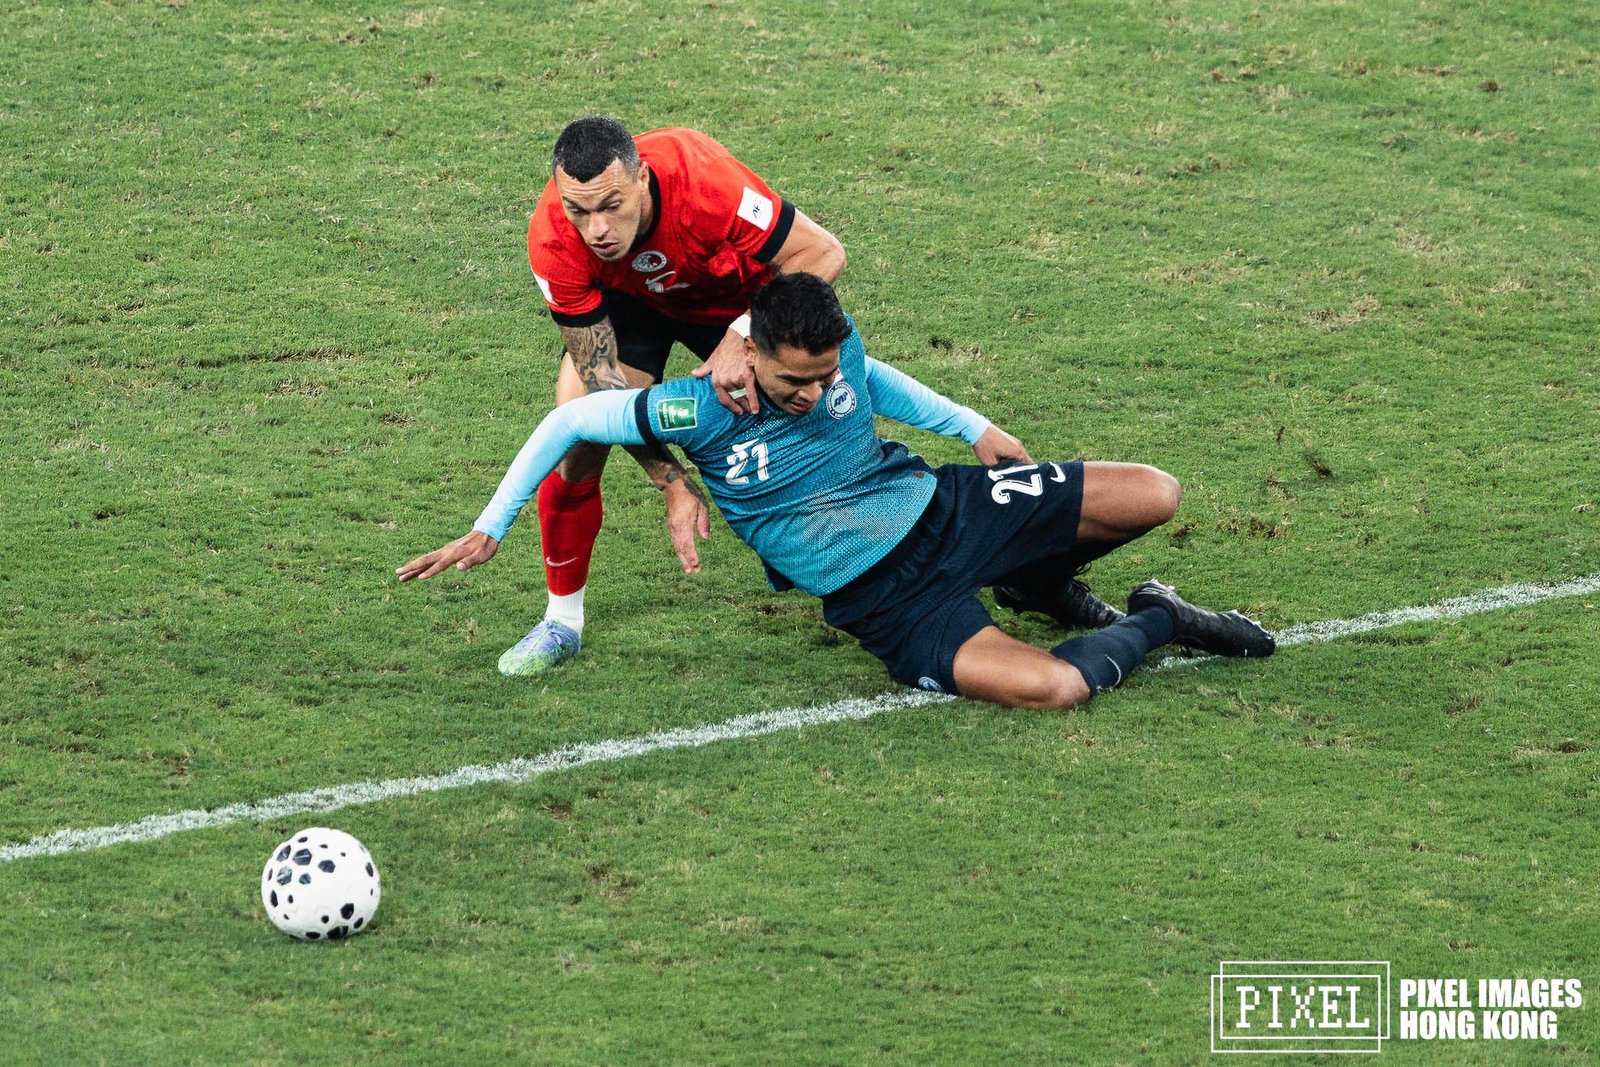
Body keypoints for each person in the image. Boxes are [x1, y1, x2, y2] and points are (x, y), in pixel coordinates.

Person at [399, 274, 1274, 708]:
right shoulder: (694, 406)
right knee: (1054, 689)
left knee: (1155, 493)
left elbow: (872, 376)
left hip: (944, 510)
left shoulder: (830, 351)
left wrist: (971, 425)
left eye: (825, 376)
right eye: (797, 382)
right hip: (887, 601)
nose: (818, 394)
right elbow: (570, 423)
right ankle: (1161, 616)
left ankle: (1032, 579)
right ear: (749, 354)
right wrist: (491, 526)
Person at [511, 115, 845, 676]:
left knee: (818, 422)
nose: (597, 229)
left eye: (611, 205)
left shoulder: (705, 182)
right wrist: (670, 480)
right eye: (579, 211)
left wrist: (742, 336)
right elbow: (603, 388)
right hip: (635, 306)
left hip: (739, 301)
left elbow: (823, 253)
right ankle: (561, 621)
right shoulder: (553, 238)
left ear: (642, 178)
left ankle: (900, 556)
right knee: (579, 435)